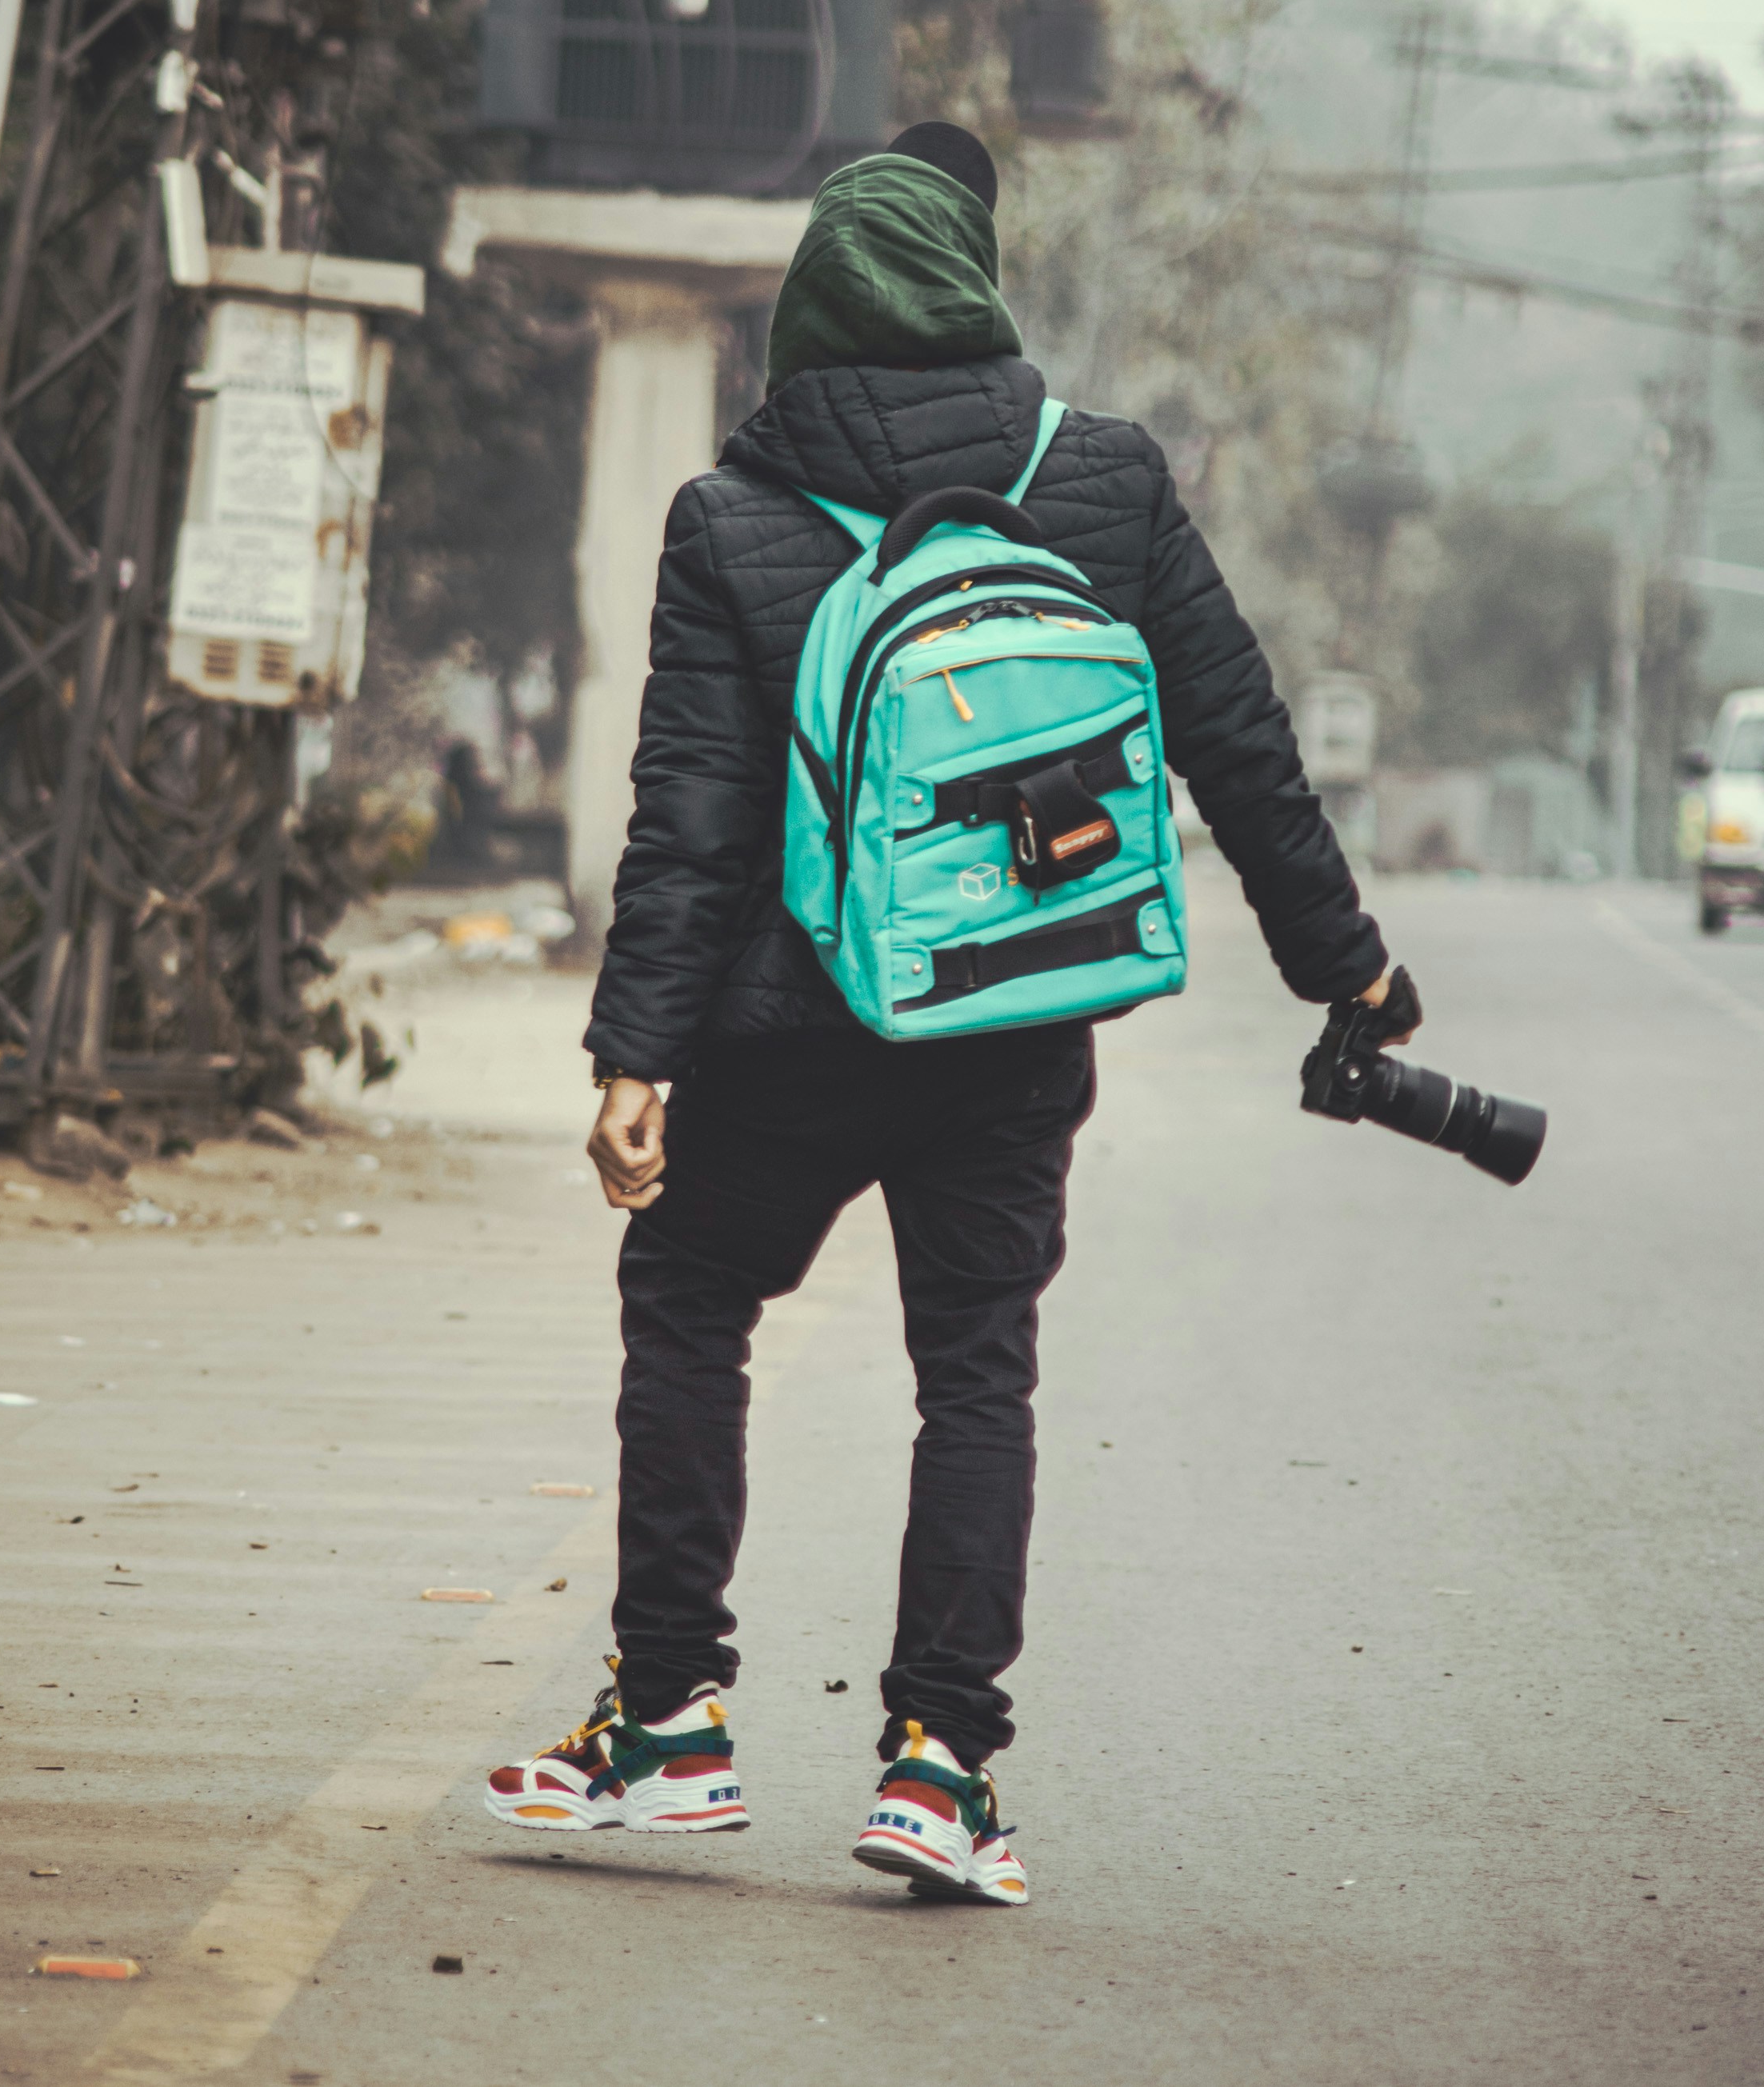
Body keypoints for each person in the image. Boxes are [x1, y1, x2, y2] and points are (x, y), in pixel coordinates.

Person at [484, 120, 1414, 1903]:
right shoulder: (1105, 481)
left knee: (689, 1305)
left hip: (784, 1032)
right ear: (976, 292)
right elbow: (1238, 744)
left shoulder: (733, 515)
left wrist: (634, 1058)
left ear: (805, 316)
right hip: (1013, 1022)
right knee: (971, 1369)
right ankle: (937, 1765)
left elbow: (685, 814)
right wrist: (1346, 969)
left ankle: (668, 1720)